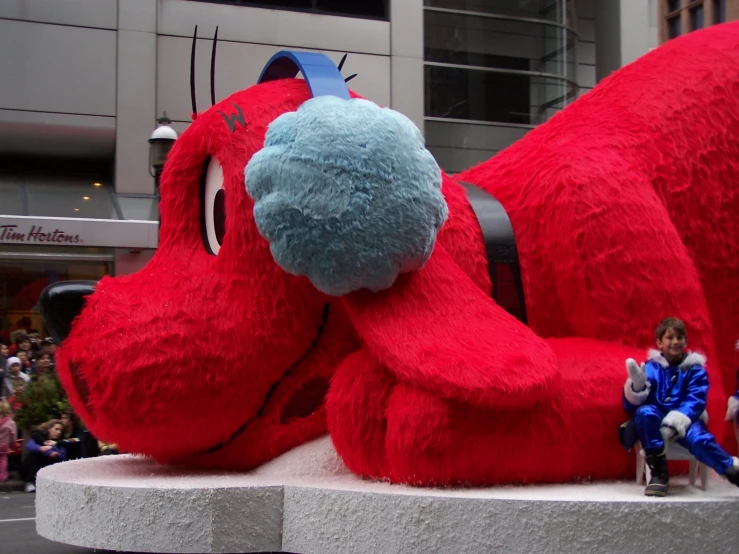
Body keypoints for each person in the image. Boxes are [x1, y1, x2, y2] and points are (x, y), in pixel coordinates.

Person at [623, 317, 739, 496]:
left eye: (679, 337)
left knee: (700, 440)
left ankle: (732, 470)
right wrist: (637, 389)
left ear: (685, 341)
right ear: (659, 342)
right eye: (670, 338)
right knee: (644, 413)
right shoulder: (651, 368)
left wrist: (676, 420)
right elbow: (632, 407)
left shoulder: (696, 370)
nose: (675, 342)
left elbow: (696, 399)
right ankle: (659, 472)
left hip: (687, 419)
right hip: (657, 416)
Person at [21, 419, 66, 493]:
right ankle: (30, 482)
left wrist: (53, 447)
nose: (58, 432)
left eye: (60, 430)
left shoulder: (60, 442)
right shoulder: (40, 437)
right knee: (34, 455)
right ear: (49, 429)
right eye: (56, 429)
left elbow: (62, 455)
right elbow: (30, 445)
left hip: (50, 466)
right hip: (36, 465)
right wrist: (42, 448)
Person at [0, 400, 17, 482]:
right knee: (3, 461)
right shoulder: (10, 423)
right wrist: (13, 444)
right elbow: (13, 435)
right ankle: (2, 476)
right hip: (3, 445)